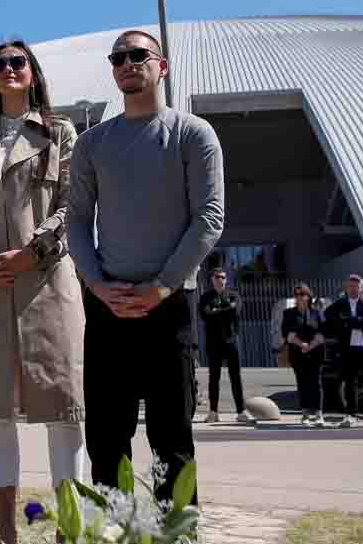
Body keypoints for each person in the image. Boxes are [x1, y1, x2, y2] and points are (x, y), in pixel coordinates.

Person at [60, 30, 224, 502]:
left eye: (138, 55)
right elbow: (77, 223)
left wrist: (164, 285)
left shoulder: (194, 134)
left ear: (162, 65)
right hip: (108, 311)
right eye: (119, 58)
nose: (128, 63)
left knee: (171, 443)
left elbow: (209, 218)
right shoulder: (92, 145)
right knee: (107, 444)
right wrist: (96, 284)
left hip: (169, 310)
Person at [0, 39, 86, 544]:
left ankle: (69, 542)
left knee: (62, 411)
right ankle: (7, 539)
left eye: (18, 63)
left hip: (47, 284)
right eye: (0, 64)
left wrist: (31, 252)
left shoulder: (59, 133)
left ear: (32, 74)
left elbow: (73, 206)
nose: (9, 70)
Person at [324, 274, 363, 428]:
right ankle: (351, 414)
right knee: (350, 381)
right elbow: (327, 316)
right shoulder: (340, 303)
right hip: (348, 348)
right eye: (350, 286)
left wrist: (347, 321)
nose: (352, 288)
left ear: (361, 288)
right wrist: (347, 322)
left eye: (355, 286)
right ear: (346, 288)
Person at [198, 268, 249, 423]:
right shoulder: (205, 297)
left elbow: (236, 312)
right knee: (214, 377)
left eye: (223, 277)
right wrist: (226, 309)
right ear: (212, 279)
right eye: (217, 277)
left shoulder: (234, 295)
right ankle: (213, 412)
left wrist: (217, 310)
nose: (221, 279)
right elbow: (206, 315)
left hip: (231, 340)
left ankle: (241, 412)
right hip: (213, 342)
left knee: (236, 377)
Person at [281, 283, 327, 426]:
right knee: (302, 383)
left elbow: (323, 333)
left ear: (308, 296)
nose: (299, 297)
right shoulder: (288, 313)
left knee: (316, 383)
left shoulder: (317, 312)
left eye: (302, 294)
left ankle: (319, 414)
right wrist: (302, 345)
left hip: (316, 352)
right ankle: (305, 414)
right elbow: (287, 334)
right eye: (296, 295)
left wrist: (310, 346)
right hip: (297, 353)